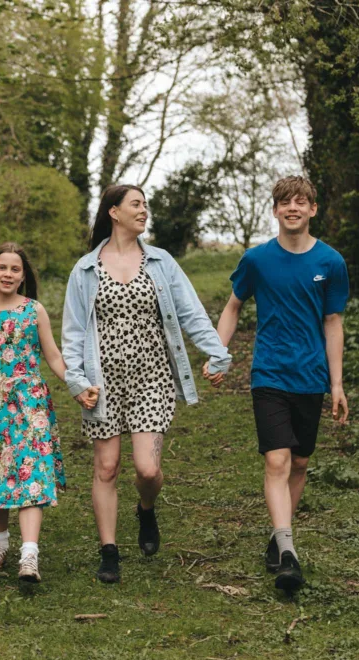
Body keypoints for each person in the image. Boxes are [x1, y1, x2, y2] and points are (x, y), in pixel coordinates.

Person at [62, 184, 232, 584]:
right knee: (106, 467)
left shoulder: (161, 262)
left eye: (145, 205)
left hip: (152, 377)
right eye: (136, 204)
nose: (144, 211)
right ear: (113, 212)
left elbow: (190, 313)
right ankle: (109, 550)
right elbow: (72, 332)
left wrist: (216, 352)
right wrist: (76, 380)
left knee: (147, 468)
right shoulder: (86, 268)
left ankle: (145, 508)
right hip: (102, 382)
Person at [206, 175, 349, 592]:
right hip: (268, 374)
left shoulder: (330, 262)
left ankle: (276, 533)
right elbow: (233, 307)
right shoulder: (257, 260)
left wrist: (336, 384)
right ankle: (288, 553)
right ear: (275, 210)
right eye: (285, 202)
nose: (293, 208)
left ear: (313, 209)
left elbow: (333, 322)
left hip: (311, 377)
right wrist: (220, 353)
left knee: (300, 463)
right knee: (276, 461)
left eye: (301, 201)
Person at [0, 243, 75, 584]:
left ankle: (29, 555)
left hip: (30, 403)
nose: (8, 274)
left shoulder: (34, 311)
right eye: (1, 267)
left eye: (15, 269)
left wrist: (77, 385)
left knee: (31, 473)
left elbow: (53, 356)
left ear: (23, 277)